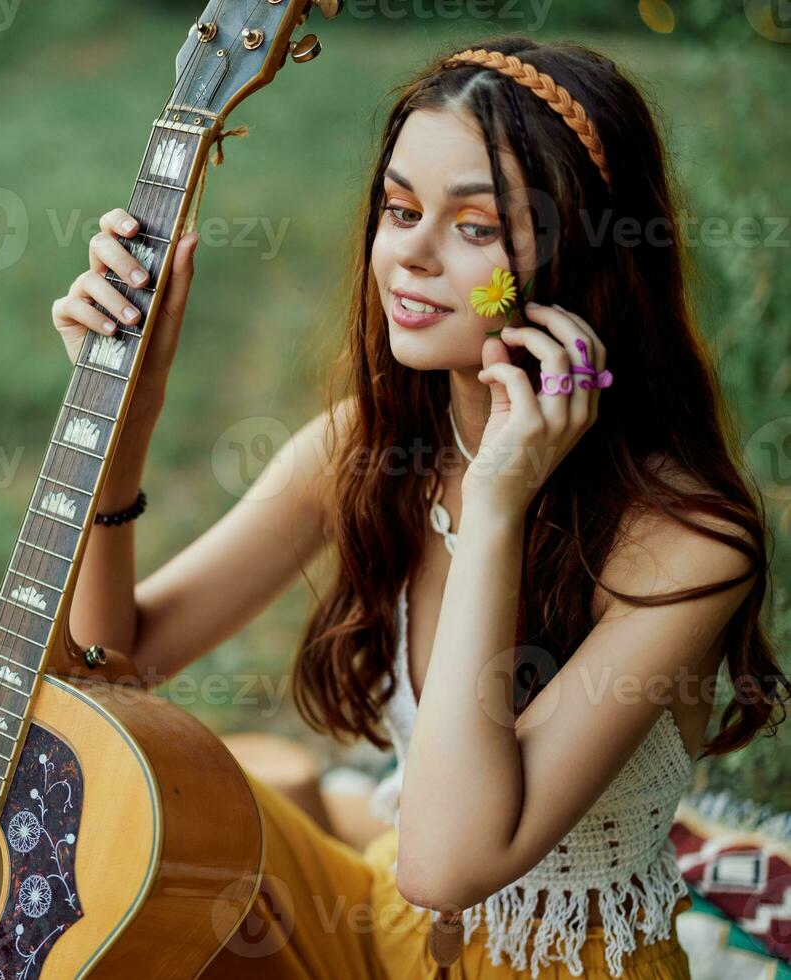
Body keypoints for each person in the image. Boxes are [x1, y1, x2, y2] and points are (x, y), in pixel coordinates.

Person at [47, 34, 787, 980]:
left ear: (589, 261)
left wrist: (496, 507)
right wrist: (123, 432)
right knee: (141, 806)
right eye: (400, 210)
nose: (411, 257)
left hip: (566, 968)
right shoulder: (367, 446)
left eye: (477, 229)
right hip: (384, 932)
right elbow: (108, 676)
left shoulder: (684, 543)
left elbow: (446, 866)